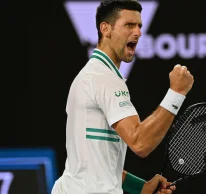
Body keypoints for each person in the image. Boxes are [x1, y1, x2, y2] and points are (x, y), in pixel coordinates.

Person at [51, 0, 194, 193]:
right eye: (129, 25)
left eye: (139, 26)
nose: (138, 32)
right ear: (106, 29)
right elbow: (140, 143)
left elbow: (98, 163)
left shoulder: (92, 75)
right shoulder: (103, 78)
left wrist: (140, 187)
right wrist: (176, 93)